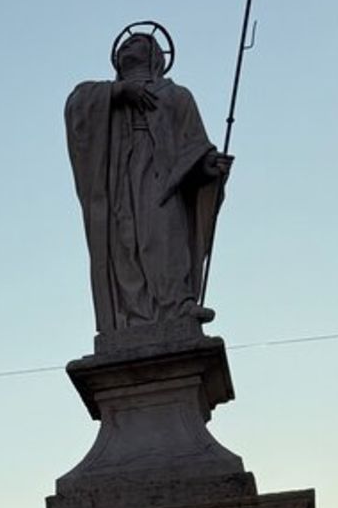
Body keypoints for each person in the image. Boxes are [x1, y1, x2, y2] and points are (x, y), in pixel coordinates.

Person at [65, 25, 231, 334]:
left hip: (161, 178)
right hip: (117, 179)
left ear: (155, 56)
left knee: (162, 234)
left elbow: (193, 146)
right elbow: (77, 109)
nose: (128, 48)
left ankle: (177, 305)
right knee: (124, 243)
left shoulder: (177, 95)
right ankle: (130, 315)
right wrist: (118, 92)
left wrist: (208, 167)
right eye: (124, 45)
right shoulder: (99, 94)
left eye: (138, 43)